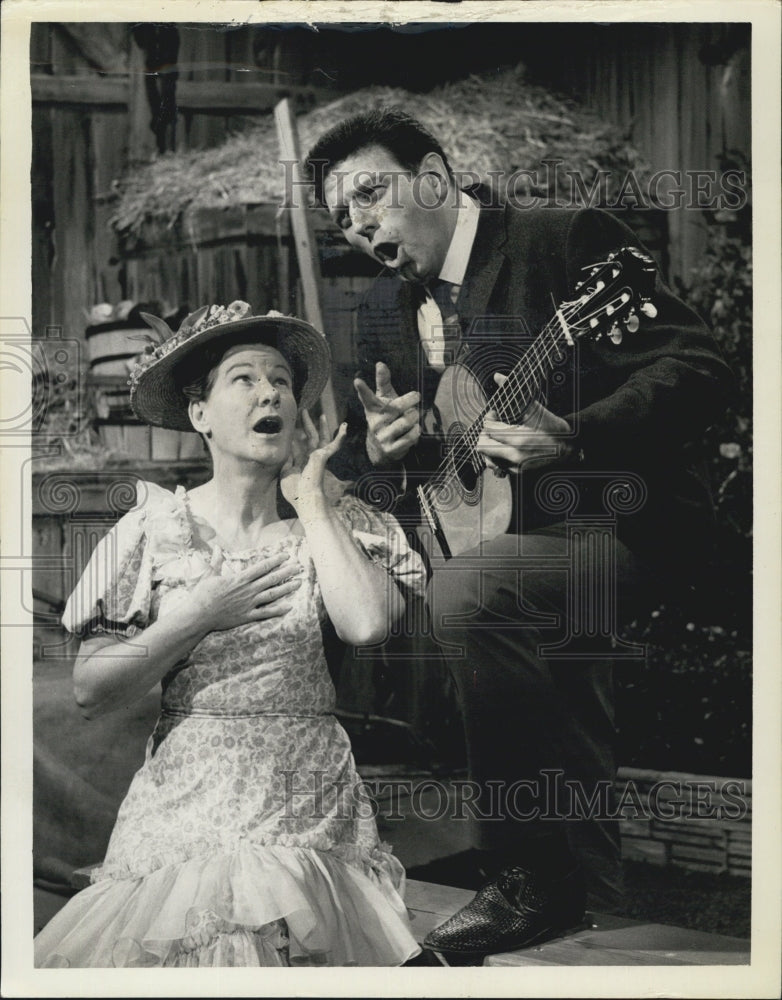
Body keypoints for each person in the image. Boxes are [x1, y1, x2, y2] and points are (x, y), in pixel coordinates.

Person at [306, 109, 734, 957]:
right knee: (519, 658)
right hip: (507, 541)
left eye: (370, 193)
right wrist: (390, 448)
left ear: (433, 178)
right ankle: (588, 915)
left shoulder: (561, 239)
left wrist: (578, 432)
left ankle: (527, 875)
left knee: (469, 592)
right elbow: (404, 462)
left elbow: (702, 367)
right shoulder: (392, 309)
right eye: (342, 217)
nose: (358, 224)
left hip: (626, 524)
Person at [34, 301, 425, 967]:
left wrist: (312, 502)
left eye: (280, 380)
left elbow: (366, 624)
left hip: (306, 798)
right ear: (200, 415)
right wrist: (197, 614)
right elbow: (91, 687)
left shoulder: (334, 521)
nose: (269, 391)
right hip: (186, 800)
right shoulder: (154, 529)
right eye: (243, 379)